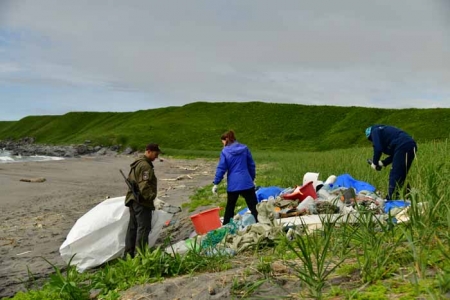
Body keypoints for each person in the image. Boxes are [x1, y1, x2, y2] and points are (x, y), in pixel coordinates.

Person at [123, 143, 162, 258]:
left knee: (132, 228)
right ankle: (141, 256)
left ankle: (128, 255)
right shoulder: (145, 166)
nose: (156, 157)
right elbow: (144, 185)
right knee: (143, 229)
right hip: (142, 202)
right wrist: (152, 198)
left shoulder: (137, 163)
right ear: (149, 151)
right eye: (155, 154)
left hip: (133, 200)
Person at [212, 130, 258, 225]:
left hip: (233, 185)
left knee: (230, 207)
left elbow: (221, 168)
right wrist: (251, 179)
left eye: (223, 142)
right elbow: (251, 165)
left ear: (226, 140)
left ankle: (226, 228)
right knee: (254, 207)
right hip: (246, 182)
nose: (223, 144)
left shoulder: (225, 152)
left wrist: (216, 183)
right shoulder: (244, 149)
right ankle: (261, 225)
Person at [365, 125, 417, 200]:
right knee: (402, 173)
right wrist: (383, 162)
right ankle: (402, 195)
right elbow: (396, 154)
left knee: (395, 173)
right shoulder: (385, 132)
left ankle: (391, 198)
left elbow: (378, 148)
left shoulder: (374, 131)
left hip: (402, 145)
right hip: (411, 145)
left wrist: (375, 163)